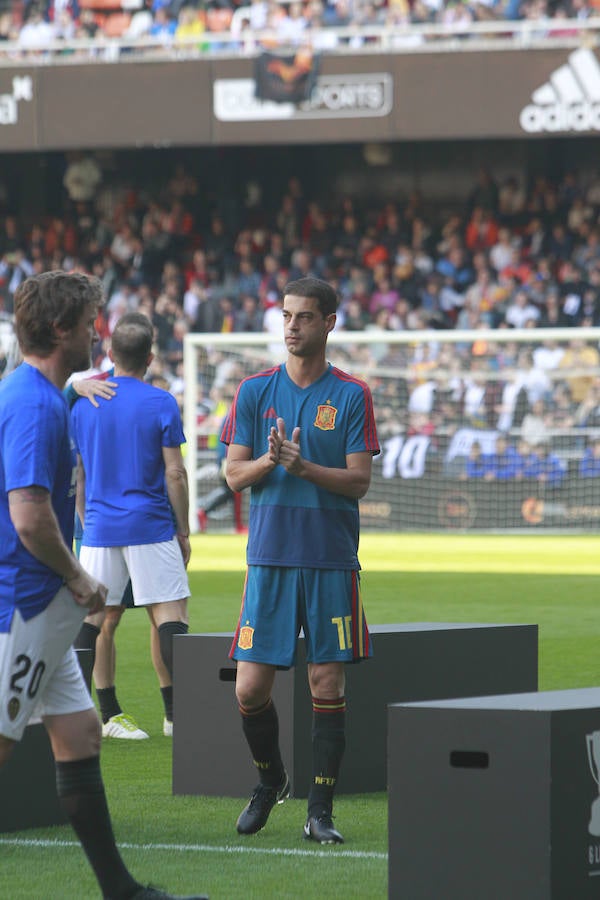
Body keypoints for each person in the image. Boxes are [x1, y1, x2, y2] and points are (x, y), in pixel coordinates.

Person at [0, 270, 206, 900]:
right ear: (62, 328)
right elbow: (30, 515)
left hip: (45, 609)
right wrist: (78, 577)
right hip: (22, 605)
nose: (98, 334)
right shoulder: (35, 403)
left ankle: (122, 891)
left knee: (82, 732)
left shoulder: (41, 390)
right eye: (89, 322)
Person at [221, 276, 379, 845]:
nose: (292, 326)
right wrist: (269, 462)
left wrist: (302, 465)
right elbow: (232, 474)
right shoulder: (254, 392)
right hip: (269, 559)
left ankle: (320, 812)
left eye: (305, 317)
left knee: (326, 679)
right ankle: (271, 781)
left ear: (329, 323)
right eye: (287, 316)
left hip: (331, 559)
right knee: (249, 689)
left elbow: (359, 482)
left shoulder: (351, 394)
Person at [70, 312, 191, 740]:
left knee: (91, 620)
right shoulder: (160, 402)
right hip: (151, 525)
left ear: (109, 353)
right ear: (152, 357)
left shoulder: (84, 402)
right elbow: (174, 474)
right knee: (170, 615)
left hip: (100, 528)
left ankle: (76, 717)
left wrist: (89, 521)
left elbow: (79, 475)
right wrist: (184, 530)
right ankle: (183, 717)